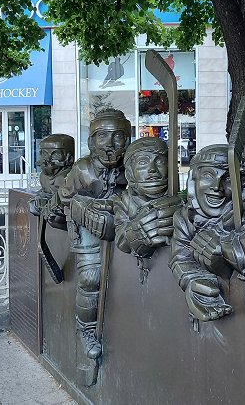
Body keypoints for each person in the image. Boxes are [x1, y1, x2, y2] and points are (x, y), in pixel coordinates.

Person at [49, 109, 131, 360]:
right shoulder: (82, 169)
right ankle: (86, 329)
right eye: (103, 136)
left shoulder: (130, 165)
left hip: (122, 221)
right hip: (88, 227)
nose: (111, 144)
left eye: (118, 136)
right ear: (91, 142)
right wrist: (81, 209)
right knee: (91, 278)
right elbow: (64, 197)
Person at [170, 144, 245, 323]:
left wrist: (225, 246)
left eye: (228, 179)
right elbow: (180, 257)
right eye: (208, 176)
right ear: (193, 180)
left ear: (241, 186)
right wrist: (194, 282)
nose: (216, 187)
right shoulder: (184, 218)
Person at [113, 137, 182, 282]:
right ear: (130, 173)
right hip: (138, 277)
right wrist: (136, 233)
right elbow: (121, 239)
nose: (152, 170)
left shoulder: (181, 201)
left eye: (160, 161)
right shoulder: (124, 201)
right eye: (143, 163)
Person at [29, 133, 74, 221]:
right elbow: (44, 193)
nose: (48, 159)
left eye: (55, 154)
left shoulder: (69, 177)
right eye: (45, 154)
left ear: (69, 158)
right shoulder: (43, 176)